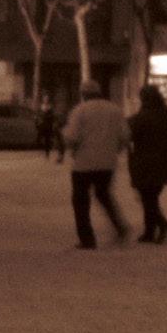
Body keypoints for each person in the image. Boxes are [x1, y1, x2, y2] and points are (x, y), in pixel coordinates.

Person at [61, 80, 130, 250]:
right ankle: (120, 227)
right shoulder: (114, 110)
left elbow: (71, 137)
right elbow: (125, 135)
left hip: (83, 163)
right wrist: (116, 149)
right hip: (107, 163)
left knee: (81, 201)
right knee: (104, 195)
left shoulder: (80, 111)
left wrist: (68, 143)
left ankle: (87, 239)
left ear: (83, 94)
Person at [127, 85, 167, 244]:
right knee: (151, 196)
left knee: (147, 198)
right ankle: (149, 231)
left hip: (144, 162)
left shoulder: (139, 118)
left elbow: (130, 136)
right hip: (164, 162)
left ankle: (162, 226)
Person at [36, 94, 60, 160]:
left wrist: (50, 119)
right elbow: (38, 115)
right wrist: (38, 120)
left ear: (48, 100)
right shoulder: (41, 107)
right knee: (39, 137)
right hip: (42, 124)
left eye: (47, 99)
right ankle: (41, 149)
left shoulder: (50, 107)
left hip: (48, 125)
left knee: (47, 139)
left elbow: (53, 116)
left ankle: (47, 153)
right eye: (44, 98)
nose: (45, 100)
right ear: (43, 99)